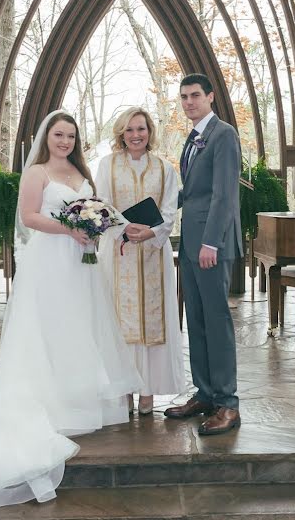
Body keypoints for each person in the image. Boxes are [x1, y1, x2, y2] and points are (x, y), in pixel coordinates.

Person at [0, 110, 141, 507]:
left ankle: (78, 398)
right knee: (48, 328)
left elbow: (94, 211)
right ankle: (49, 401)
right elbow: (29, 217)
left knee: (78, 329)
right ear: (46, 137)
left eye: (70, 135)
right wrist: (69, 229)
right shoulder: (36, 173)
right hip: (49, 262)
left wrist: (92, 229)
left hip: (80, 264)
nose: (65, 141)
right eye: (58, 135)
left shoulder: (79, 172)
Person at [164, 74, 243, 435]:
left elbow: (224, 194)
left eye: (195, 95)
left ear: (210, 96)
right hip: (191, 244)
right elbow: (192, 193)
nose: (189, 102)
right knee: (195, 320)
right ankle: (205, 393)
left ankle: (227, 403)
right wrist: (153, 209)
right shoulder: (193, 138)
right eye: (183, 97)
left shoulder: (223, 134)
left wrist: (211, 242)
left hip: (212, 245)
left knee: (216, 321)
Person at [95, 107, 186, 416]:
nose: (136, 135)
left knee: (151, 323)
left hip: (153, 255)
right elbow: (101, 206)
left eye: (142, 129)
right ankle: (124, 391)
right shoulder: (107, 166)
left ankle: (147, 391)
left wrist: (151, 232)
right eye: (130, 129)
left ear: (150, 132)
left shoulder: (164, 169)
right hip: (118, 253)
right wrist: (124, 229)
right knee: (119, 323)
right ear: (122, 133)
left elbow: (170, 211)